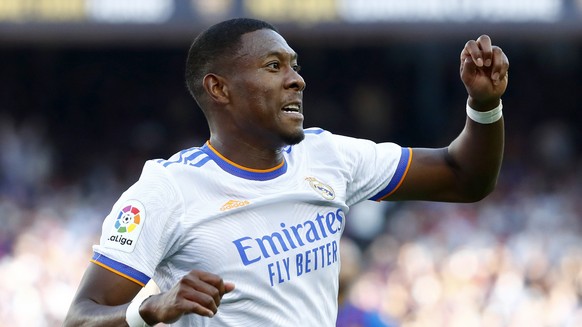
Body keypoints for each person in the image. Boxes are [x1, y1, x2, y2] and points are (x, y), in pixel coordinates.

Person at [63, 17, 508, 327]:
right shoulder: (166, 192)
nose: (296, 79)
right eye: (274, 66)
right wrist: (151, 308)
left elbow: (464, 176)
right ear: (219, 88)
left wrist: (484, 105)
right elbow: (82, 316)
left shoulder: (329, 156)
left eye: (295, 65)